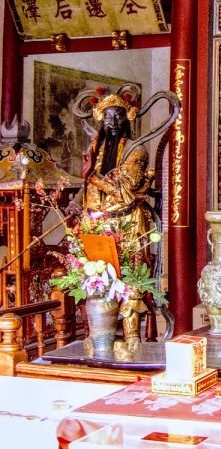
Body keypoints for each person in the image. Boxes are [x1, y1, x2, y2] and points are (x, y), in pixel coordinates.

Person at [79, 94, 155, 345]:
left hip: (128, 222)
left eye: (118, 115)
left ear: (127, 118)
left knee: (131, 278)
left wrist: (92, 176)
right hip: (98, 222)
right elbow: (90, 184)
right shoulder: (95, 148)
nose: (113, 121)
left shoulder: (137, 150)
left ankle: (132, 338)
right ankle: (99, 335)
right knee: (95, 278)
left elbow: (125, 191)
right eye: (108, 115)